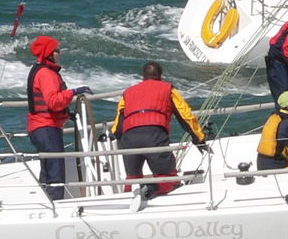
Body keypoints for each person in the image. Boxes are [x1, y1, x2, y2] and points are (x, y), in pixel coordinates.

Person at [110, 62, 207, 199]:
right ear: (160, 76)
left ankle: (130, 197)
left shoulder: (128, 93)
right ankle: (152, 187)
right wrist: (199, 139)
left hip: (129, 137)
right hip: (154, 134)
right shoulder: (167, 89)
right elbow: (186, 116)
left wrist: (123, 139)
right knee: (168, 179)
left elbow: (117, 126)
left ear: (143, 76)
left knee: (132, 179)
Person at [25, 35, 90, 201]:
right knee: (55, 171)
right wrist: (73, 92)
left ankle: (47, 202)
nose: (59, 53)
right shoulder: (47, 74)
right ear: (49, 53)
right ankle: (56, 204)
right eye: (56, 50)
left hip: (38, 127)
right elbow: (53, 102)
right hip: (46, 127)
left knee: (47, 169)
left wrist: (68, 115)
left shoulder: (38, 70)